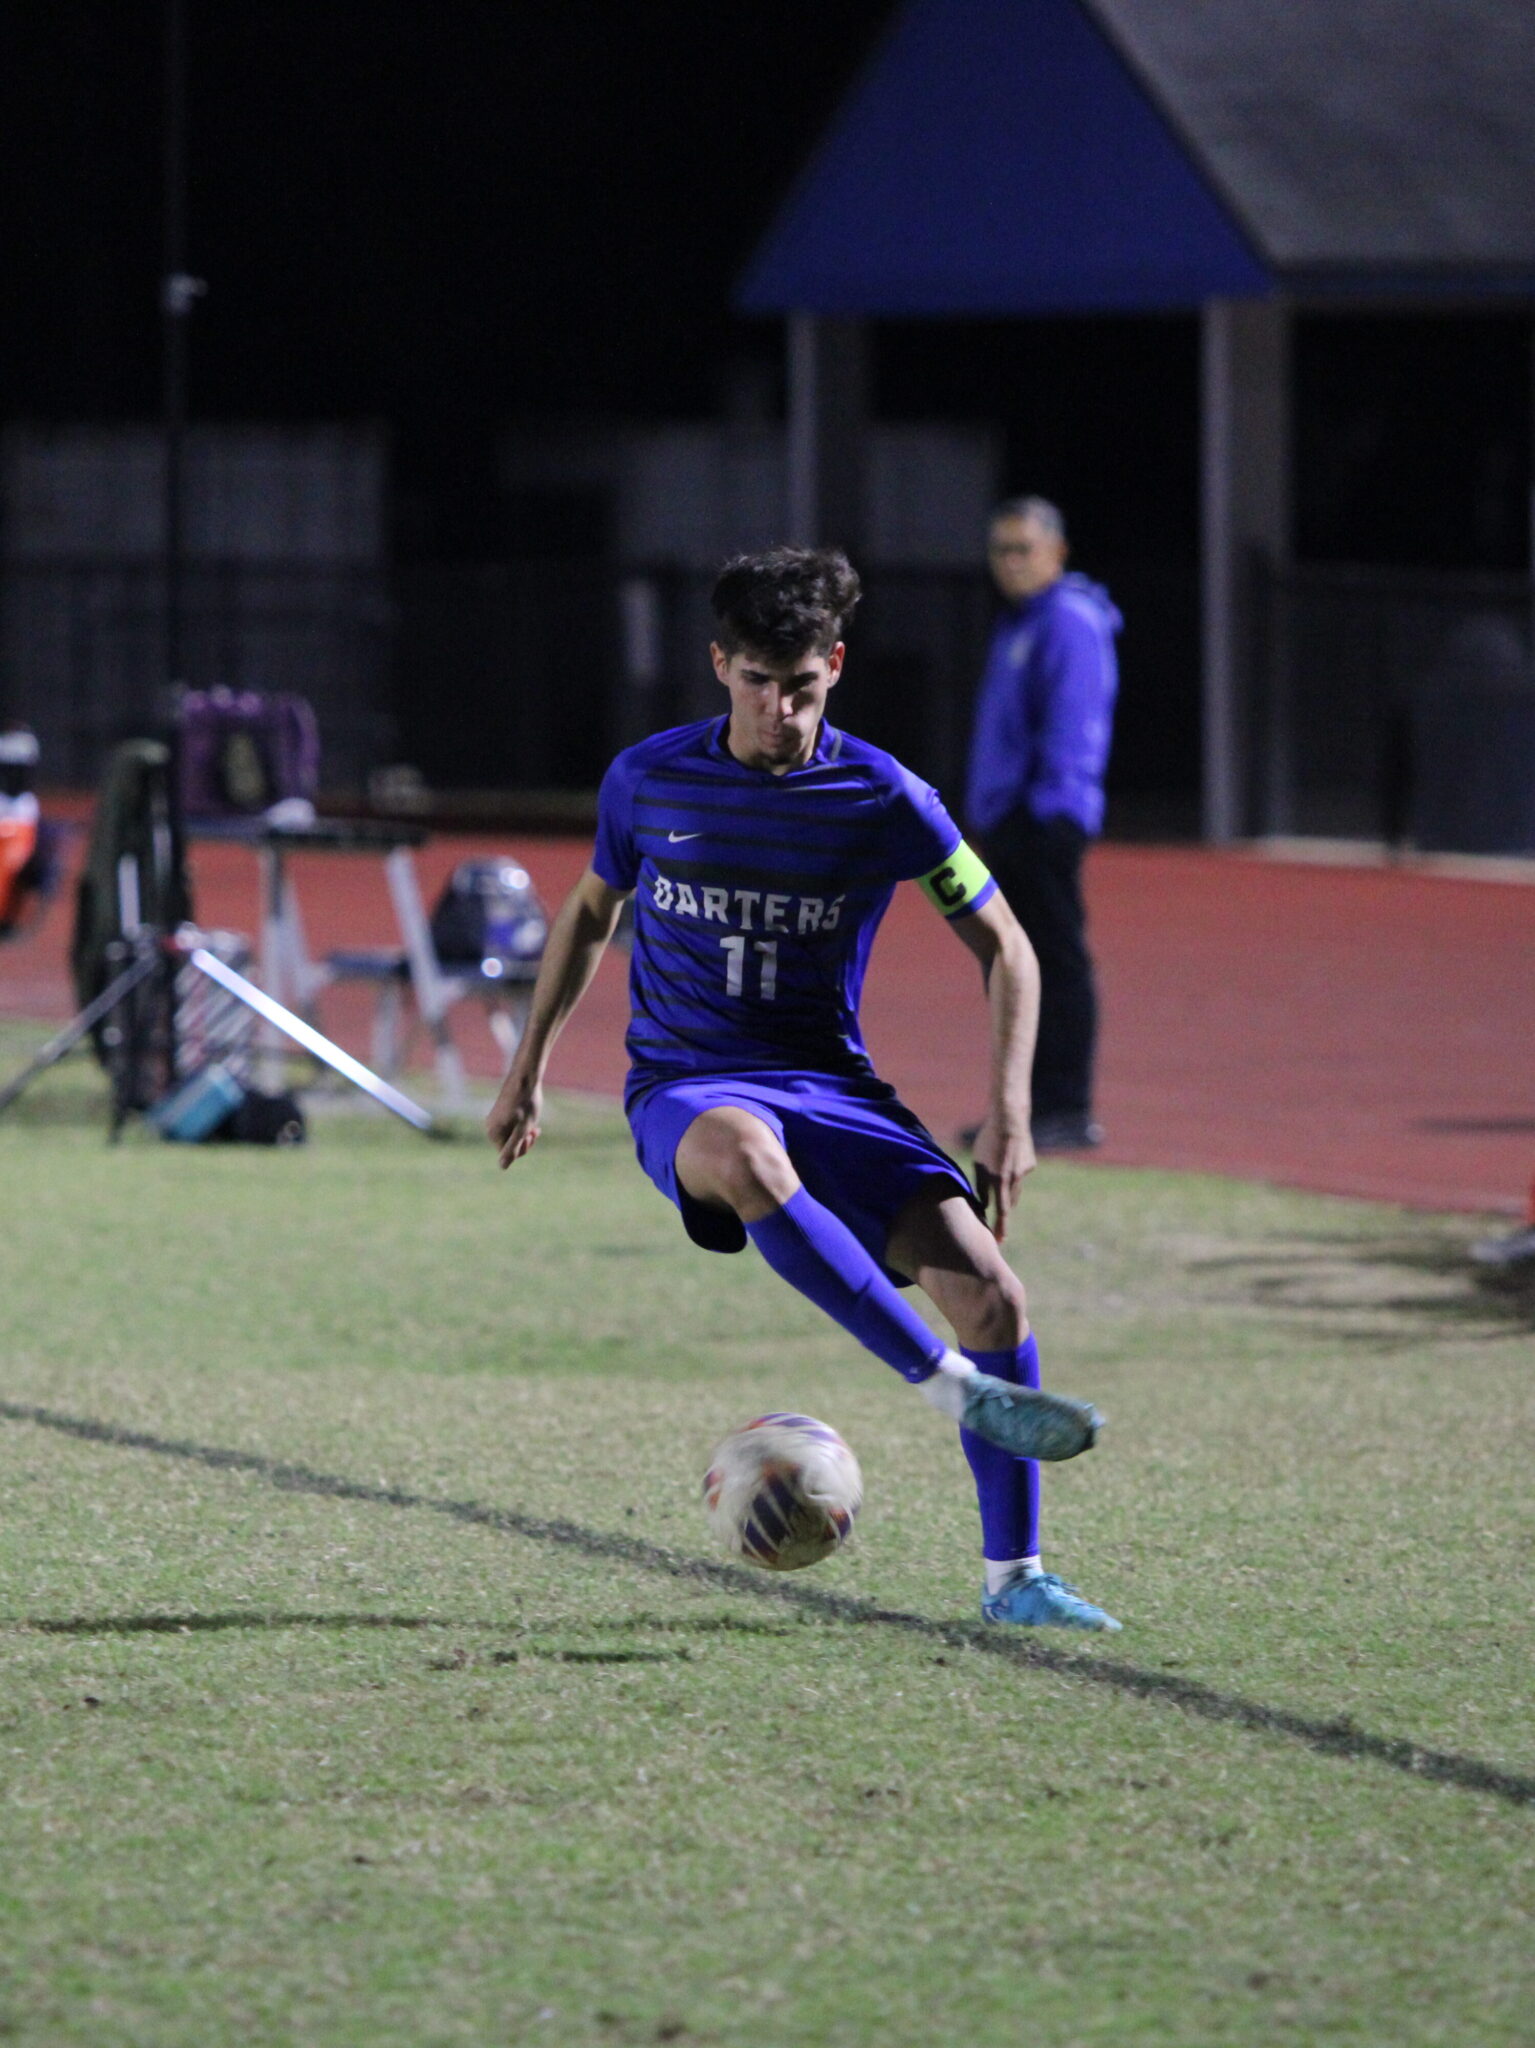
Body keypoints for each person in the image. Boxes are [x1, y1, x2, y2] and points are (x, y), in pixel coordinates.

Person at [487, 546, 1119, 1632]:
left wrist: (1010, 1107)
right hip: (686, 1084)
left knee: (994, 1296)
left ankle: (1015, 1581)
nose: (779, 710)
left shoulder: (882, 794)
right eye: (756, 683)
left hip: (829, 1082)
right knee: (743, 1155)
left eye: (804, 686)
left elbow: (1008, 945)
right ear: (718, 664)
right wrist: (527, 1065)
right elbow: (591, 911)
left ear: (835, 663)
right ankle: (943, 1382)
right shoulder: (648, 777)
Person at [964, 497, 1122, 1150]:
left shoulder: (1067, 622)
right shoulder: (1021, 623)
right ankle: (1020, 1107)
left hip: (1041, 819)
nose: (1010, 563)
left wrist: (1049, 813)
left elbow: (1073, 728)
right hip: (1009, 817)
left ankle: (1063, 1105)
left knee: (1050, 963)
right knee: (1010, 965)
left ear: (1056, 553)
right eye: (1000, 550)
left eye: (1023, 549)